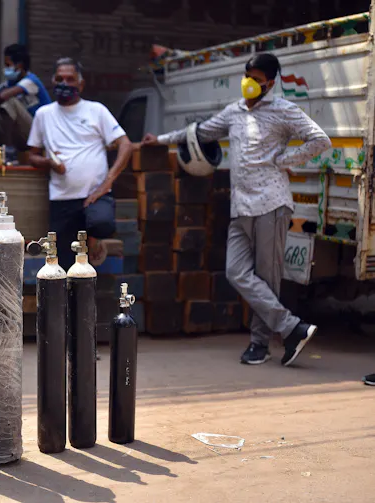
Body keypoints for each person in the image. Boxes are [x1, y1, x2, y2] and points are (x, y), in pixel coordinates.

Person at [141, 53, 331, 367]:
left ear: (270, 84)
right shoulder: (235, 112)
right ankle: (291, 327)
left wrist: (284, 161)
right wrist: (160, 139)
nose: (250, 83)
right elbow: (199, 132)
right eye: (248, 76)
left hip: (271, 204)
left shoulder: (283, 110)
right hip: (241, 207)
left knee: (267, 279)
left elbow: (319, 140)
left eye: (257, 79)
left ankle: (259, 345)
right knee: (236, 272)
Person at [27, 57, 134, 270]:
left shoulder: (96, 110)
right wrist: (49, 162)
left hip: (95, 195)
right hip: (61, 199)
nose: (64, 83)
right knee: (63, 266)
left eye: (70, 79)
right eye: (60, 79)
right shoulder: (43, 114)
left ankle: (95, 238)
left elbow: (126, 145)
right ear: (53, 81)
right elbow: (31, 155)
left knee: (101, 223)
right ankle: (67, 303)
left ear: (81, 84)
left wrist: (107, 183)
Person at [0, 44, 51, 160]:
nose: (5, 69)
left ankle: (8, 150)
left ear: (19, 65)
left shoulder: (31, 81)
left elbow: (2, 96)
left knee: (9, 102)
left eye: (8, 65)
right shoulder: (9, 84)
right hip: (25, 135)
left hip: (41, 135)